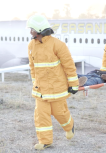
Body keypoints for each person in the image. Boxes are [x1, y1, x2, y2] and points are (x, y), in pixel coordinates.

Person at [27, 15, 79, 150]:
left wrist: (74, 84)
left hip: (57, 88)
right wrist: (35, 82)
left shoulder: (58, 45)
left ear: (39, 30)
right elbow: (32, 67)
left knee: (59, 113)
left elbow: (69, 65)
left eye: (31, 29)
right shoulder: (31, 45)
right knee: (41, 115)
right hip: (41, 90)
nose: (30, 31)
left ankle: (69, 126)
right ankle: (45, 141)